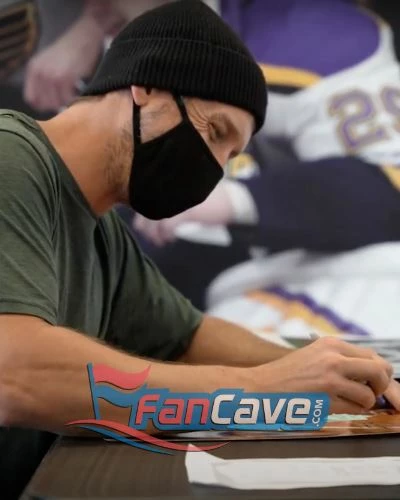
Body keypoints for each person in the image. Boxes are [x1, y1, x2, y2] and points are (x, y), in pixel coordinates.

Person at [0, 1, 399, 497]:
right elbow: (15, 374)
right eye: (214, 132)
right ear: (145, 86)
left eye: (229, 156)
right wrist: (263, 389)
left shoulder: (102, 235)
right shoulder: (11, 158)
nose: (211, 168)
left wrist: (329, 372)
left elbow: (186, 336)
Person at [133, 0, 400, 338]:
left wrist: (234, 201)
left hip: (342, 277)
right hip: (219, 301)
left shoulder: (311, 37)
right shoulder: (94, 60)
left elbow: (391, 187)